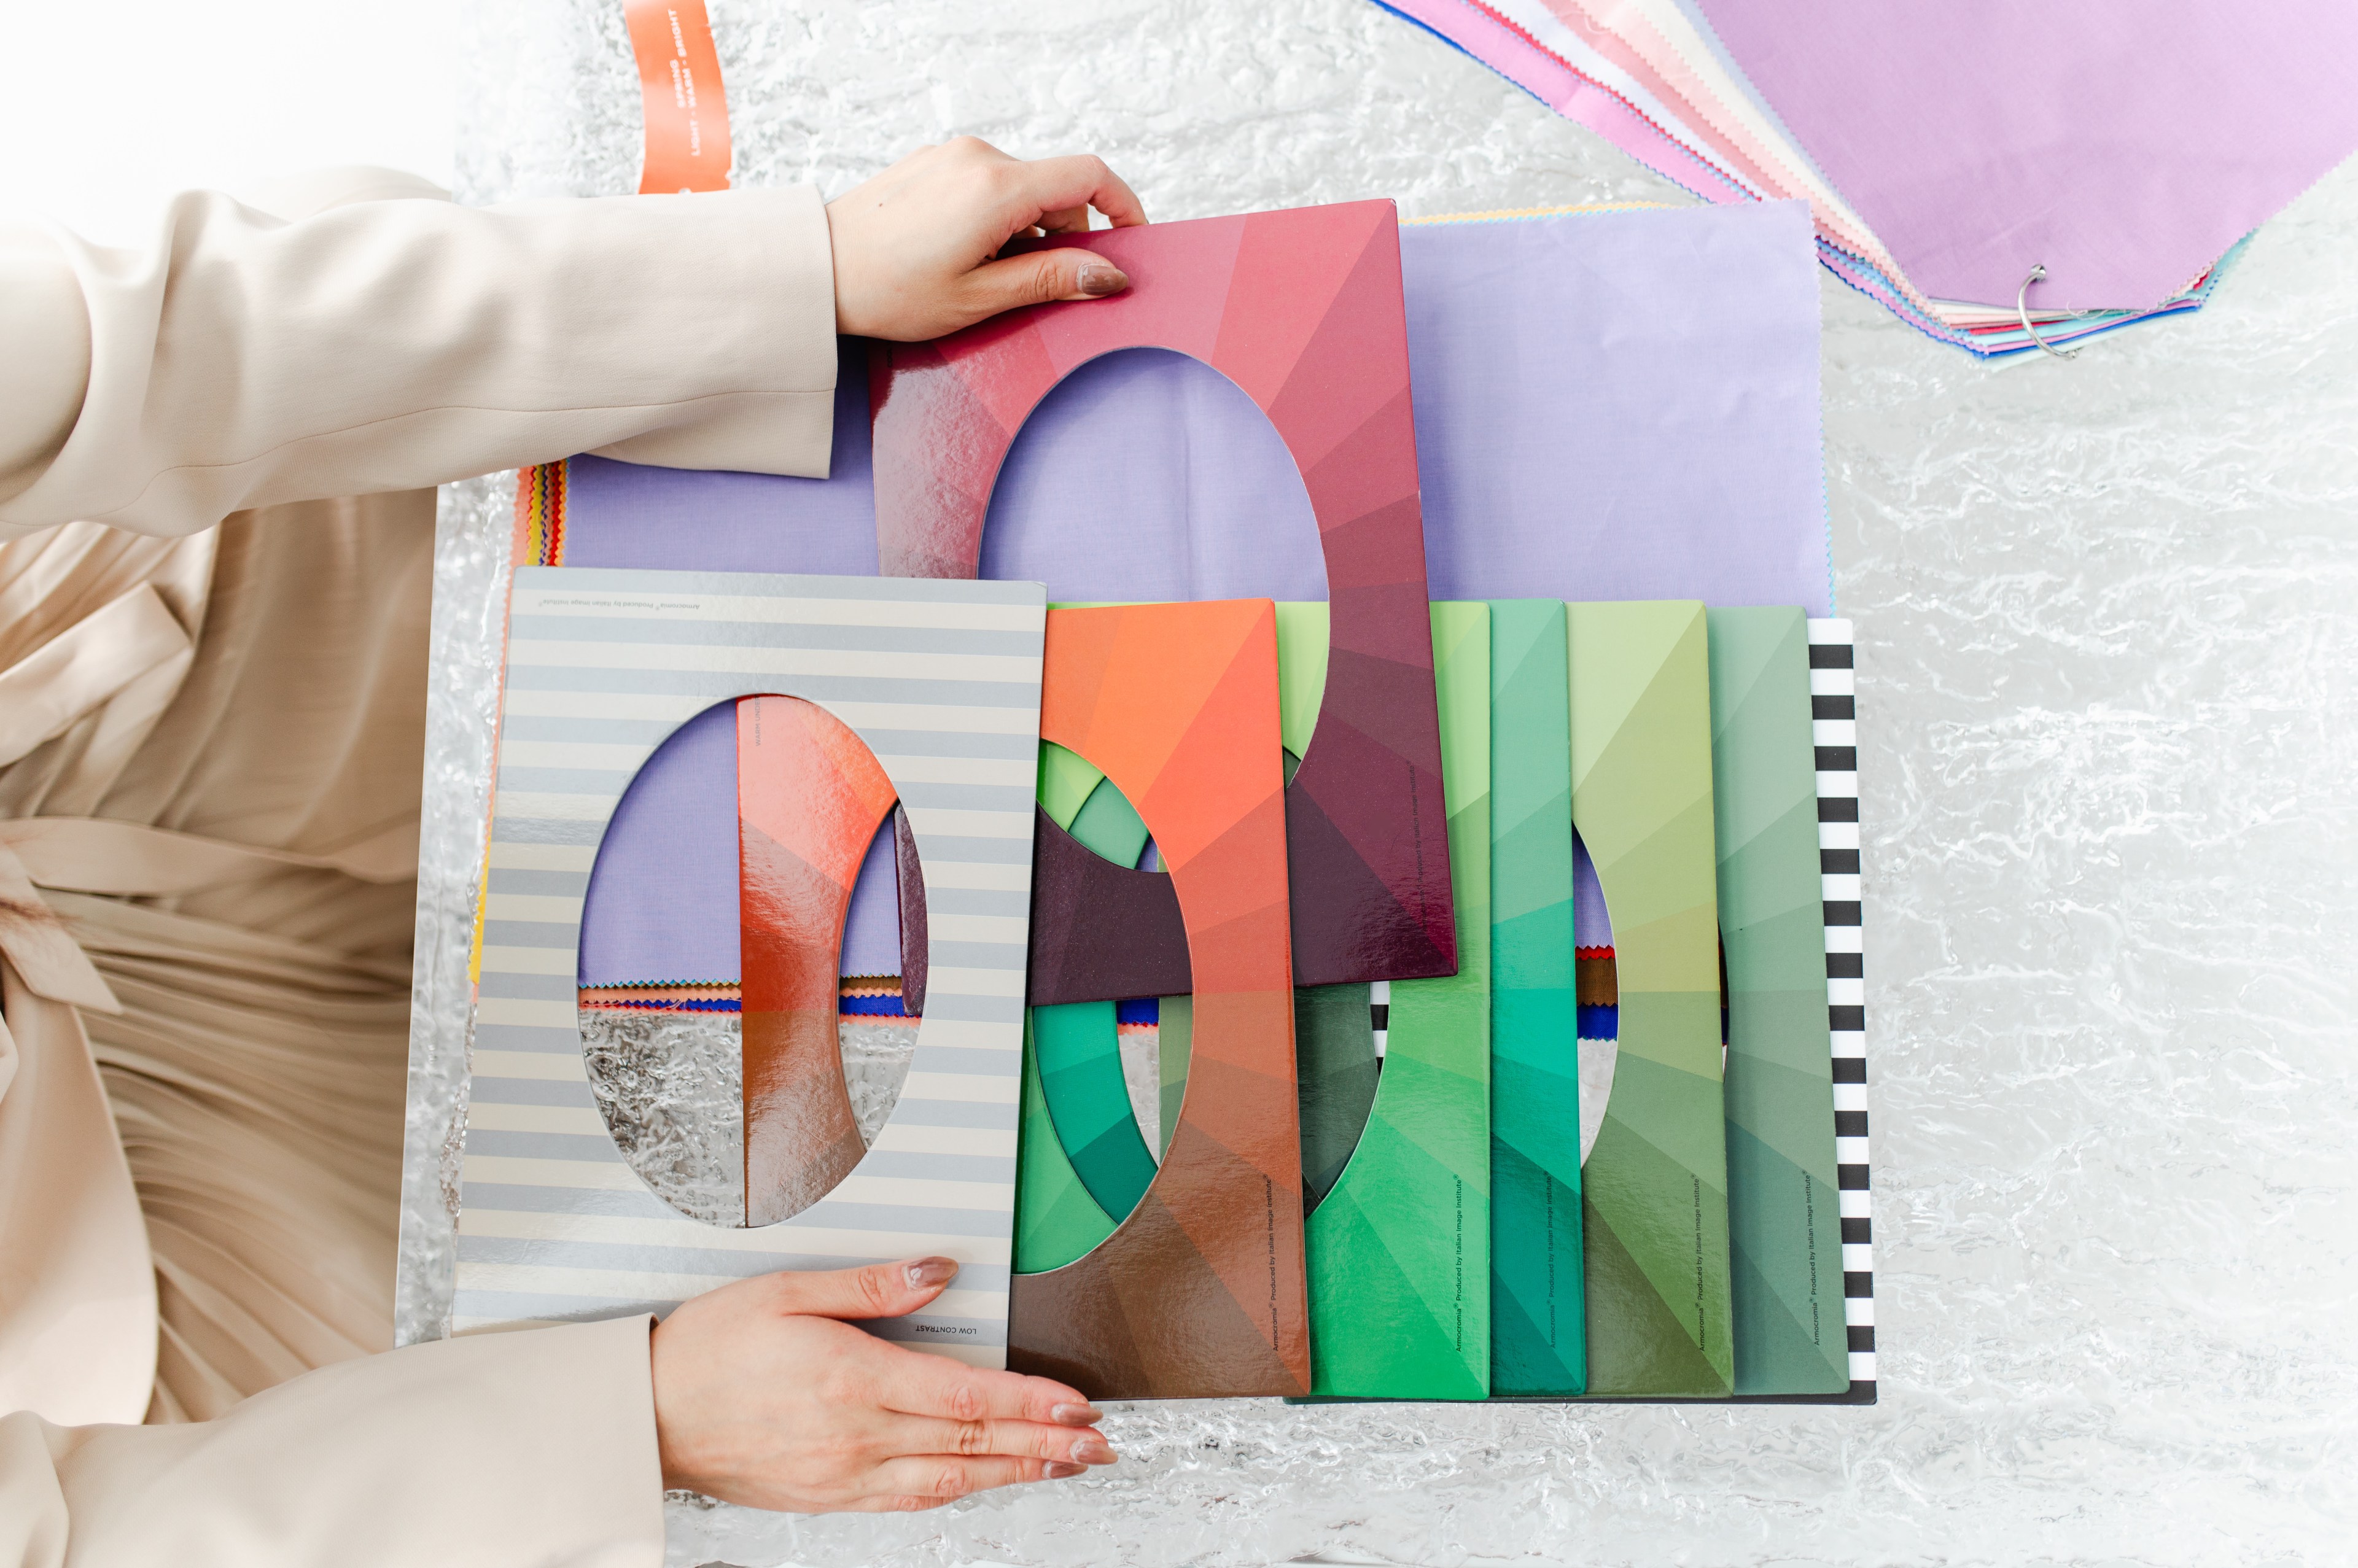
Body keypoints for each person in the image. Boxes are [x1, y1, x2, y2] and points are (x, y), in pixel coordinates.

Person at [0, 136, 1143, 1563]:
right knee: (542, 1373)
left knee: (388, 271)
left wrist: (793, 278)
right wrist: (642, 1413)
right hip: (66, 1256)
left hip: (46, 739)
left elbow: (151, 344)